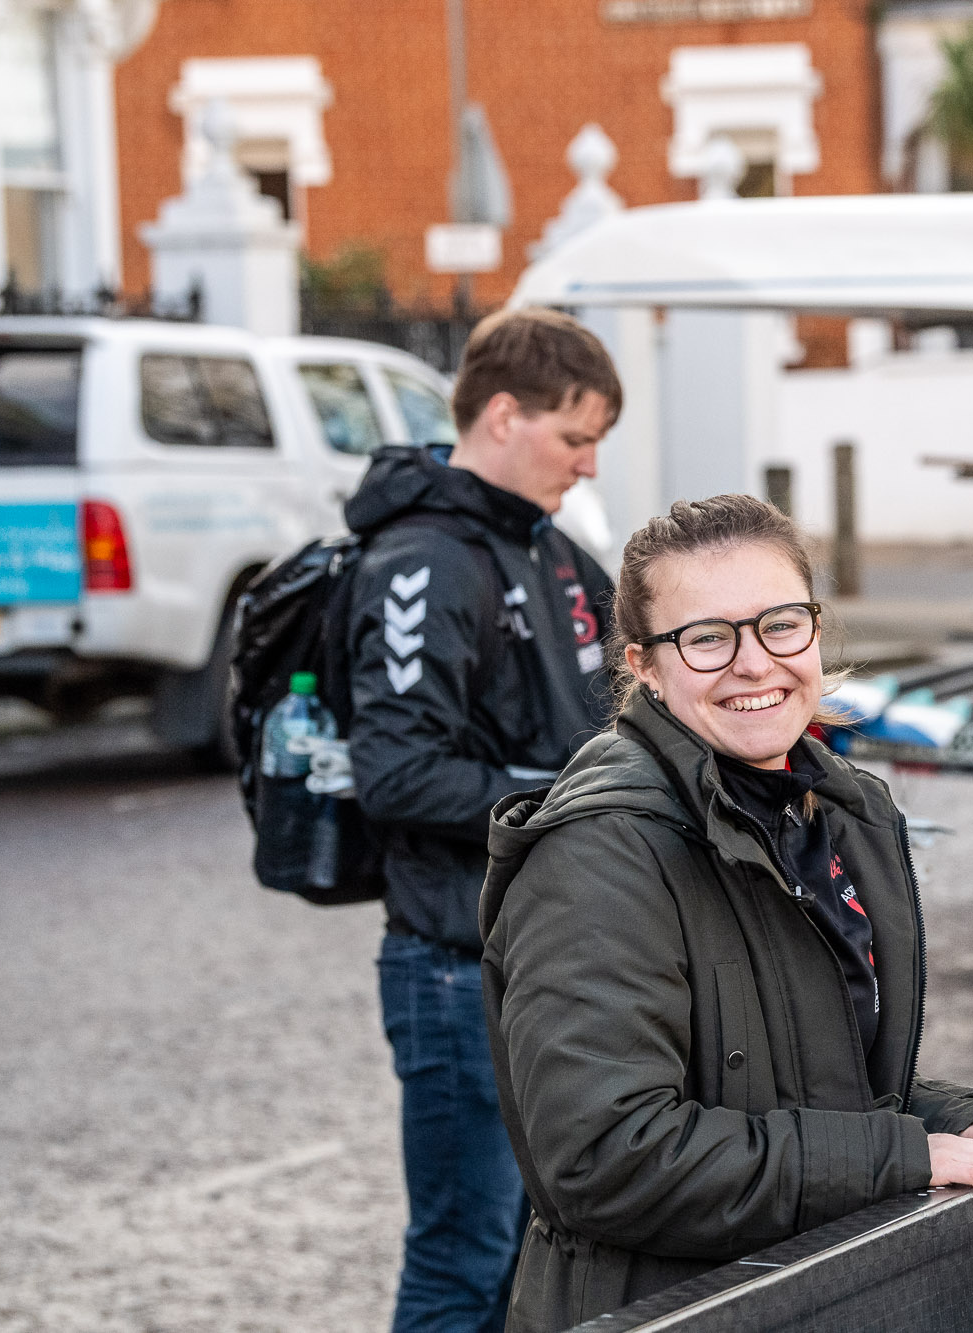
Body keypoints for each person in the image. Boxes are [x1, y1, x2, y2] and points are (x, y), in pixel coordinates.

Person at [477, 495, 973, 1332]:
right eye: (708, 638)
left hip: (806, 1290)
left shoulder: (838, 810)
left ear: (816, 630)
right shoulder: (600, 852)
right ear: (644, 664)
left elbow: (812, 1077)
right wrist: (906, 1155)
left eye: (781, 623)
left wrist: (961, 1119)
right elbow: (606, 1156)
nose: (755, 663)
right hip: (662, 1309)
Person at [343, 307, 621, 1332]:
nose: (588, 465)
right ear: (503, 414)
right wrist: (579, 800)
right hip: (457, 965)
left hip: (545, 959)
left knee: (531, 1262)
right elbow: (400, 774)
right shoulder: (425, 559)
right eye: (574, 436)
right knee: (464, 1262)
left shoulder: (544, 547)